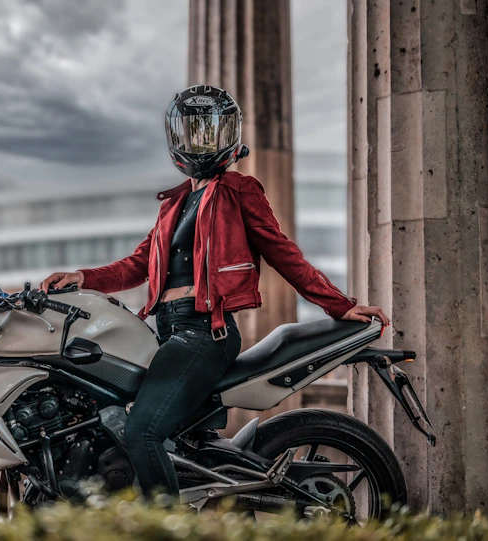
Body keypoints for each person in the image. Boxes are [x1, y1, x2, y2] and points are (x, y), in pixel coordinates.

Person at [40, 84, 389, 498]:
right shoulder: (173, 205)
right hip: (168, 335)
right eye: (192, 131)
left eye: (212, 131)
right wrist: (81, 277)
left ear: (230, 136)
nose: (201, 141)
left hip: (205, 333)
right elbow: (137, 265)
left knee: (143, 432)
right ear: (177, 139)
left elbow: (283, 253)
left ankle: (165, 529)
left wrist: (339, 304)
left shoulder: (239, 190)